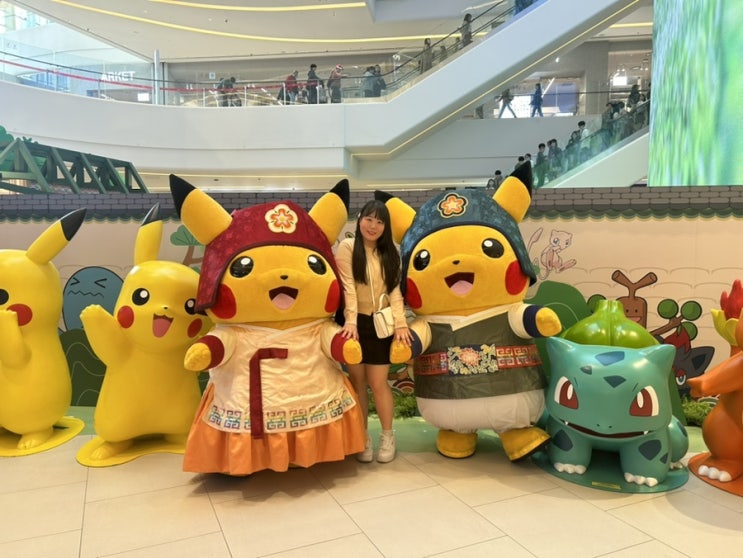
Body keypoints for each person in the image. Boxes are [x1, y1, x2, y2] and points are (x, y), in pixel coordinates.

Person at [336, 199, 412, 464]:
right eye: (369, 219)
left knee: (379, 383)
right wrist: (351, 322)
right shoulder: (347, 248)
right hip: (354, 324)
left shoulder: (390, 254)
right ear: (360, 220)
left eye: (380, 222)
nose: (373, 226)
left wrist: (401, 323)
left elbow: (395, 292)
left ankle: (388, 436)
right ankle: (362, 437)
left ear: (385, 227)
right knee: (358, 383)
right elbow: (348, 286)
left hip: (382, 324)